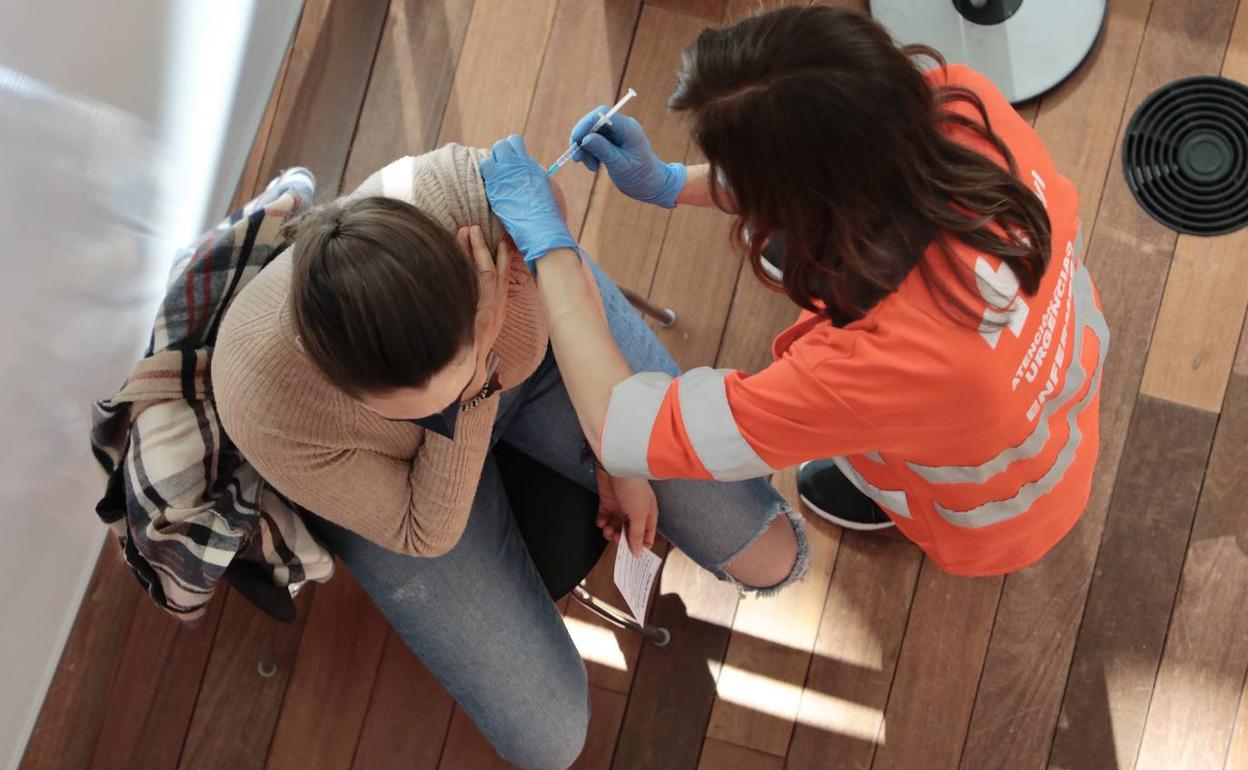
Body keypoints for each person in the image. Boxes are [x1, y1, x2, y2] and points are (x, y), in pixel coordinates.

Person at [211, 144, 804, 770]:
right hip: (408, 492)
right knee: (550, 742)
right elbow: (424, 530)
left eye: (462, 353)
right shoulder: (266, 401)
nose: (448, 387)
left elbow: (564, 275)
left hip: (538, 369)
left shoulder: (480, 199)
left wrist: (620, 451)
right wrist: (474, 386)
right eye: (415, 403)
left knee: (769, 553)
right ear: (346, 388)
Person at [481, 5, 1109, 578]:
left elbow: (624, 426)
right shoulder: (961, 103)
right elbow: (841, 154)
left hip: (992, 508)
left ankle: (883, 500)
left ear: (804, 205)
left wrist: (551, 247)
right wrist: (674, 184)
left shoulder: (869, 375)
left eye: (747, 181)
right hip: (1059, 390)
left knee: (890, 453)